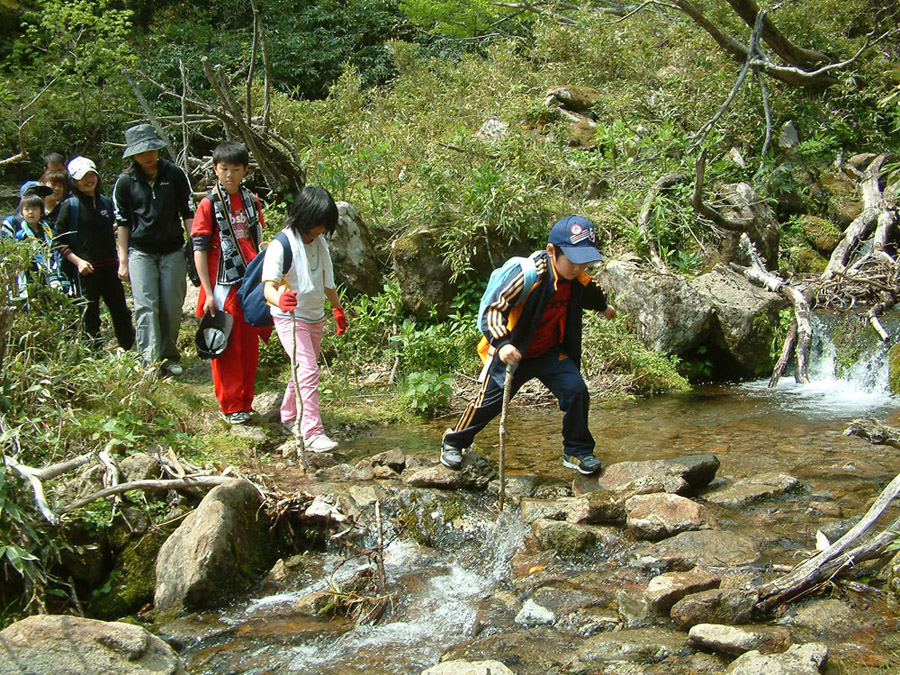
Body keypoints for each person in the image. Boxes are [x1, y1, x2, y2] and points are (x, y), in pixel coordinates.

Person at [440, 215, 617, 475]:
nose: (580, 267)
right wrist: (502, 344)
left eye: (585, 261)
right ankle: (454, 441)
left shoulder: (578, 278)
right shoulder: (529, 275)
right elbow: (494, 308)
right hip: (514, 353)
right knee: (488, 403)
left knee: (576, 391)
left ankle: (577, 452)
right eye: (574, 260)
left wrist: (605, 308)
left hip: (550, 352)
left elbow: (593, 291)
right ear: (551, 251)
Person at [262, 186, 348, 451]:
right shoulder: (281, 245)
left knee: (302, 368)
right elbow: (269, 288)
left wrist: (337, 309)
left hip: (314, 315)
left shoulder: (319, 244)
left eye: (324, 227)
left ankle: (288, 414)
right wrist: (280, 299)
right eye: (316, 226)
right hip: (290, 317)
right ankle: (311, 431)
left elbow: (327, 280)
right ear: (303, 217)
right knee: (308, 369)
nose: (319, 232)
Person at [190, 141, 267, 424]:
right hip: (222, 283)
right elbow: (198, 247)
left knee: (249, 343)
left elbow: (257, 240)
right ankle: (230, 406)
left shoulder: (251, 201)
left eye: (236, 169)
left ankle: (246, 400)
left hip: (249, 279)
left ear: (245, 170)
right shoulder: (208, 204)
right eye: (224, 169)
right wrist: (206, 291)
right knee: (227, 344)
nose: (230, 175)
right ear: (215, 170)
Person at [113, 123, 194, 375]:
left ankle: (169, 356)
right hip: (141, 252)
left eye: (151, 149)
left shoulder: (175, 175)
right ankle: (149, 362)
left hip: (173, 249)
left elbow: (188, 213)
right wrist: (123, 260)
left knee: (171, 305)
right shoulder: (126, 182)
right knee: (145, 305)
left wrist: (194, 245)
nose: (148, 155)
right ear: (133, 155)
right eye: (141, 151)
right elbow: (123, 223)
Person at [54, 157, 134, 350]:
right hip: (85, 272)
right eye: (83, 177)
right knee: (89, 315)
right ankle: (94, 354)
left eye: (92, 175)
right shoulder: (70, 206)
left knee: (121, 311)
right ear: (74, 181)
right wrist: (78, 261)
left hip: (110, 268)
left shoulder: (105, 203)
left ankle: (129, 349)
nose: (89, 180)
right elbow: (57, 241)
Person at [1, 182, 70, 298]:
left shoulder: (46, 227)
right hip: (22, 281)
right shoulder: (13, 223)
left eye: (41, 197)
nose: (37, 199)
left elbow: (54, 253)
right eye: (34, 195)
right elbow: (4, 252)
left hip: (47, 281)